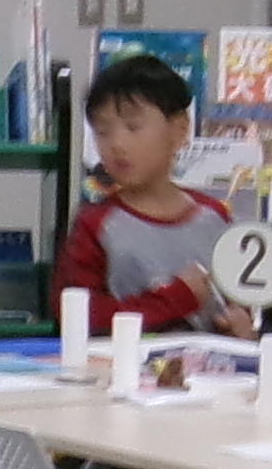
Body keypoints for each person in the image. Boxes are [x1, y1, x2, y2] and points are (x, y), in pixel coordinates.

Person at [53, 53, 244, 336]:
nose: (117, 144)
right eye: (103, 132)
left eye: (133, 127)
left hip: (208, 374)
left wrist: (241, 328)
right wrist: (174, 299)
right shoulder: (94, 225)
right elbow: (76, 315)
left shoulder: (215, 217)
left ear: (179, 130)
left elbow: (237, 304)